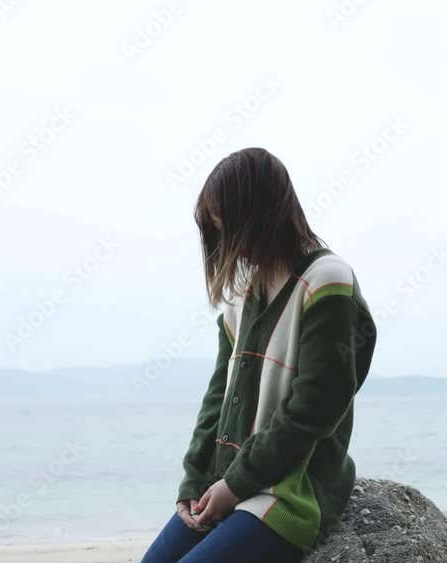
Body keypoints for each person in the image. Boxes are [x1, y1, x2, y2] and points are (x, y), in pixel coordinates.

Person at [141, 147, 378, 563]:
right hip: (228, 484)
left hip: (290, 493)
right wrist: (194, 479)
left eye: (230, 230)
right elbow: (217, 398)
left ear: (262, 216)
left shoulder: (326, 281)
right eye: (217, 232)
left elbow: (314, 408)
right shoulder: (239, 299)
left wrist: (236, 485)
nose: (228, 247)